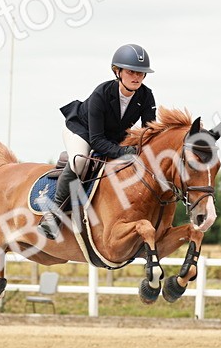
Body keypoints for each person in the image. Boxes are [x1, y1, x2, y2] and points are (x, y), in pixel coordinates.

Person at [39, 43, 157, 239]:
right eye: (131, 72)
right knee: (79, 161)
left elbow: (149, 132)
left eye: (141, 73)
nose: (137, 77)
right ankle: (53, 215)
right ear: (117, 72)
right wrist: (126, 152)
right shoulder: (101, 95)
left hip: (112, 137)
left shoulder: (146, 96)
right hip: (82, 132)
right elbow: (97, 141)